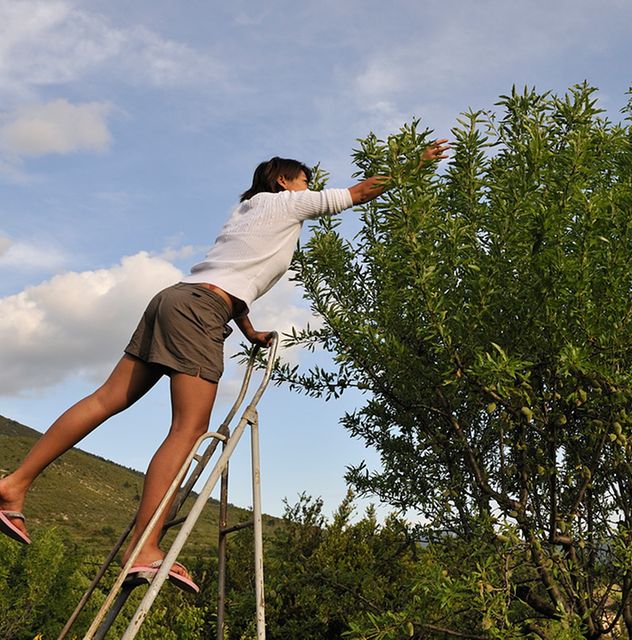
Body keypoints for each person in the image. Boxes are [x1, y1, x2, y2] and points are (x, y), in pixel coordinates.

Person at [0, 140, 450, 592]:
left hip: (176, 298)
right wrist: (415, 164)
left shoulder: (247, 212)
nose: (309, 188)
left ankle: (14, 486)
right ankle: (145, 549)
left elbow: (231, 274)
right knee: (189, 429)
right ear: (284, 181)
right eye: (304, 181)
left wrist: (249, 329)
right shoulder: (287, 204)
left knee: (105, 399)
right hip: (200, 311)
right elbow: (359, 192)